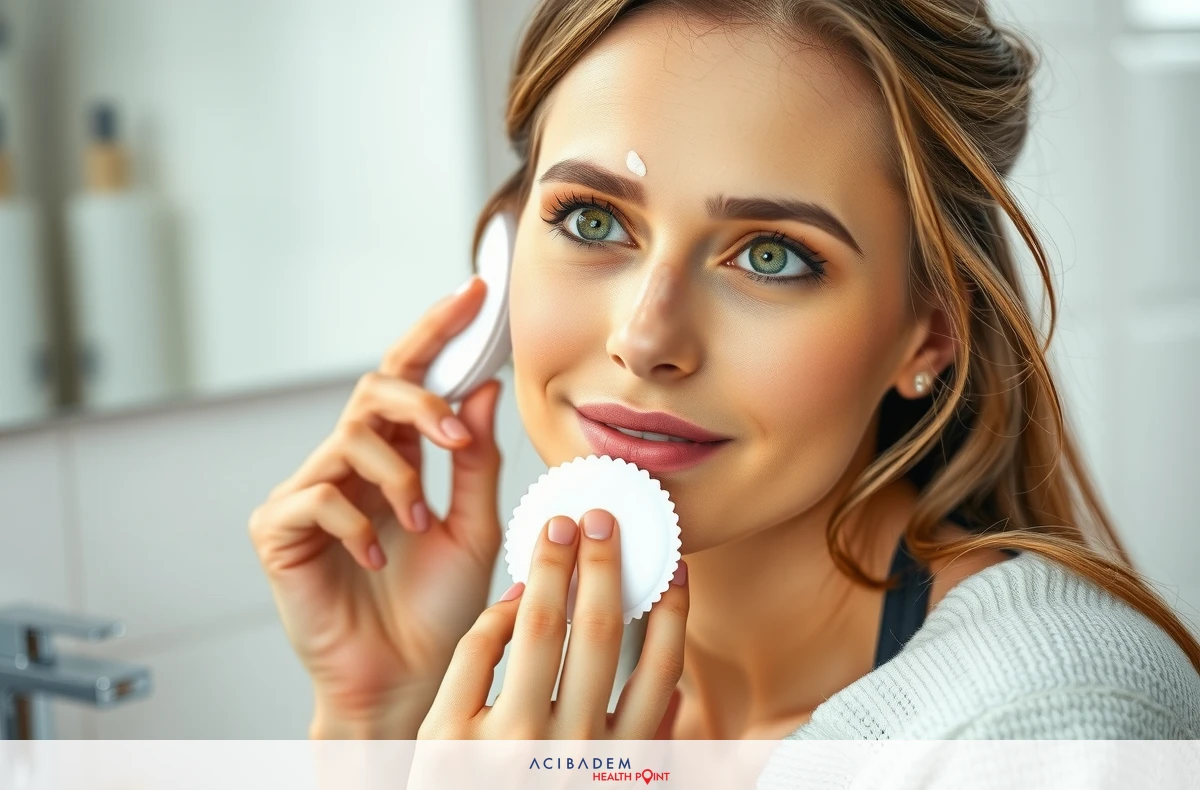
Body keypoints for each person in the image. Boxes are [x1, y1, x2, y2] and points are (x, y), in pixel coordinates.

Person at [247, 0, 1200, 745]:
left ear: (930, 332)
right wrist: (377, 720)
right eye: (592, 220)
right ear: (501, 258)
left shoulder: (1047, 720)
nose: (644, 338)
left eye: (771, 257)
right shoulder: (582, 694)